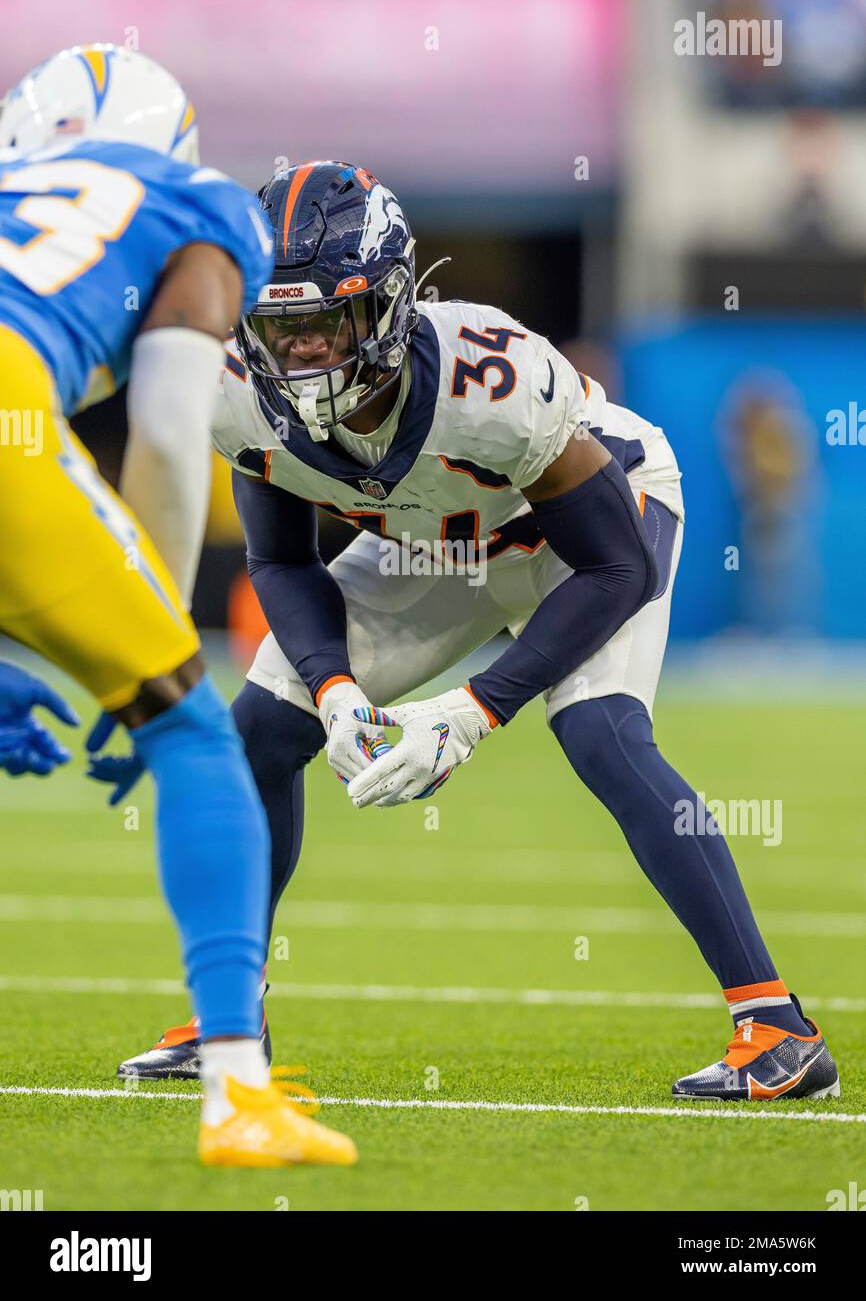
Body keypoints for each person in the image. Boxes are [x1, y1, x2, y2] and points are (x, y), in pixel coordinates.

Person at [116, 159, 837, 1105]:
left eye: (326, 324)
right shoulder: (236, 394)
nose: (300, 357)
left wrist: (469, 711)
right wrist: (334, 692)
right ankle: (228, 1020)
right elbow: (282, 563)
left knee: (601, 731)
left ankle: (776, 1026)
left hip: (587, 527)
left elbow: (615, 566)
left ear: (390, 305)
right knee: (264, 728)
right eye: (277, 329)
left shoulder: (487, 378)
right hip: (436, 547)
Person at [0, 56, 355, 1166]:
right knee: (199, 733)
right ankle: (236, 1094)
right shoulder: (194, 209)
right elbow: (162, 432)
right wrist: (144, 656)